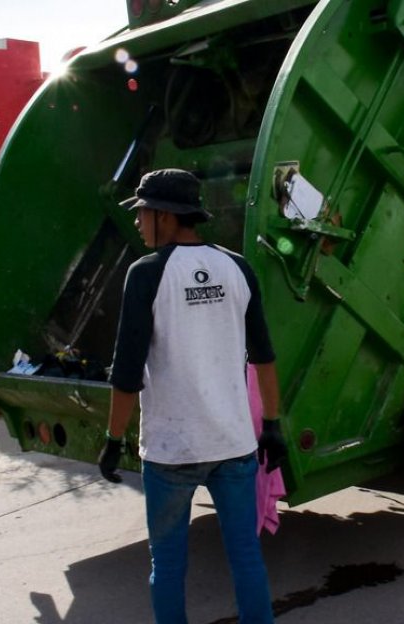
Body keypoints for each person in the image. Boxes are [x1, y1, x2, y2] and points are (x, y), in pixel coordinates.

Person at [98, 168, 287, 624]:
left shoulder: (145, 275)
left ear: (165, 215)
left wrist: (113, 439)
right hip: (234, 445)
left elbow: (127, 373)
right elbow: (264, 358)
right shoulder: (237, 268)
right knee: (246, 559)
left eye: (143, 213)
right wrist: (273, 427)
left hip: (170, 452)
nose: (139, 223)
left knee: (167, 567)